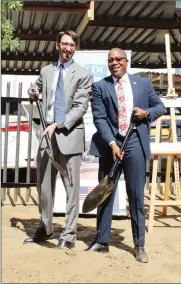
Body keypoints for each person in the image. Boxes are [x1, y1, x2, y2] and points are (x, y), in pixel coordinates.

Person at [87, 48, 165, 262]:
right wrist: (112, 143)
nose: (114, 62)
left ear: (126, 61)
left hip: (135, 144)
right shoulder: (100, 86)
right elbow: (99, 118)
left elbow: (161, 107)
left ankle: (139, 245)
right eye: (110, 60)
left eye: (118, 59)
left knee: (136, 196)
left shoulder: (143, 84)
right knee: (105, 193)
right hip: (110, 145)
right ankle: (102, 241)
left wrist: (146, 113)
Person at [24, 30, 93, 249]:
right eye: (65, 43)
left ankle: (69, 235)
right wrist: (32, 90)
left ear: (75, 47)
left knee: (71, 187)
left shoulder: (83, 74)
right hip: (47, 136)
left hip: (69, 135)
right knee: (44, 184)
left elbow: (80, 107)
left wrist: (58, 124)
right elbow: (36, 87)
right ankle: (45, 227)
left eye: (72, 45)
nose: (68, 48)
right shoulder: (46, 71)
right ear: (57, 45)